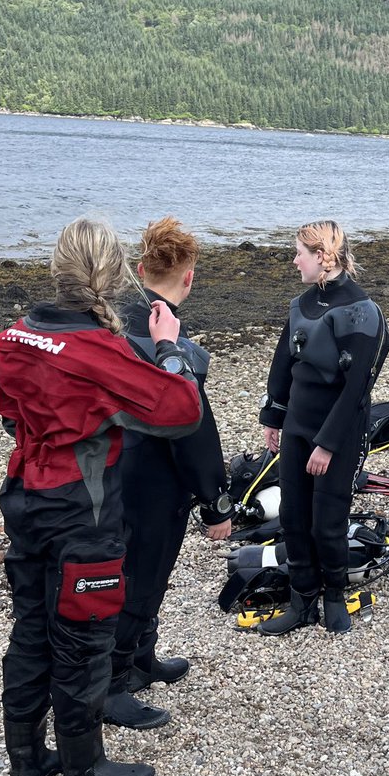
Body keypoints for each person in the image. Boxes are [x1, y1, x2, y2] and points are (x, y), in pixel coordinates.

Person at [0, 218, 203, 776]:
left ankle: (26, 758)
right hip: (82, 510)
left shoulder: (14, 337)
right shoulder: (100, 351)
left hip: (25, 497)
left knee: (32, 628)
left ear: (60, 271)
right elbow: (181, 410)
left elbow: (9, 409)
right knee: (82, 636)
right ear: (111, 277)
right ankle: (83, 769)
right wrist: (168, 348)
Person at [104, 217, 232, 730]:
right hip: (155, 482)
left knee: (126, 571)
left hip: (109, 475)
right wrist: (214, 501)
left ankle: (141, 656)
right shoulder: (181, 355)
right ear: (190, 278)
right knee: (144, 573)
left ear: (139, 270)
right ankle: (114, 682)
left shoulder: (107, 335)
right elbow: (195, 434)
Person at [258, 221, 389, 634]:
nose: (295, 260)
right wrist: (273, 417)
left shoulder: (361, 311)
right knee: (294, 517)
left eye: (300, 252)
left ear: (323, 257)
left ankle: (334, 594)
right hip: (297, 425)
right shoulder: (300, 304)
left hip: (338, 431)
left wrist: (328, 444)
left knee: (326, 521)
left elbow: (356, 391)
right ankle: (301, 600)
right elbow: (283, 363)